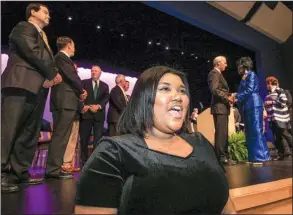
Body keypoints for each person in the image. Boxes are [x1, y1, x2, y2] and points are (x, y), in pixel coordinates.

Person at [75, 66, 236, 215]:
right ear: (143, 98)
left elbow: (226, 206)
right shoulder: (113, 153)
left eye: (182, 91)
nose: (178, 96)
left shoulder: (201, 143)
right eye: (165, 88)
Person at [1, 3, 62, 193]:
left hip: (37, 88)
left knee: (28, 133)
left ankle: (18, 173)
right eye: (45, 12)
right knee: (9, 130)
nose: (48, 16)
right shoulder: (24, 27)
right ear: (33, 12)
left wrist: (47, 77)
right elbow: (32, 52)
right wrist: (53, 73)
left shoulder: (42, 36)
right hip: (19, 83)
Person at [45, 37, 86, 179]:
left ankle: (55, 168)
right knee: (60, 136)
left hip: (66, 102)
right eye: (73, 45)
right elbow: (72, 76)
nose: (74, 48)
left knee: (62, 137)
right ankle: (53, 170)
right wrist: (81, 90)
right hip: (65, 102)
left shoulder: (60, 58)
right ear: (68, 45)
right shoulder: (62, 58)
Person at [234, 57, 270, 164]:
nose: (238, 69)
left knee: (256, 130)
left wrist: (237, 97)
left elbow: (250, 90)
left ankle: (261, 156)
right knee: (249, 132)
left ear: (244, 66)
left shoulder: (251, 75)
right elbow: (242, 91)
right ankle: (253, 157)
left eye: (239, 66)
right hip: (246, 106)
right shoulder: (243, 78)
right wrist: (235, 95)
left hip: (254, 104)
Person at [208, 56, 236, 165]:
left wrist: (230, 95)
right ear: (218, 63)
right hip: (219, 107)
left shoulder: (218, 74)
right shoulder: (214, 73)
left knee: (223, 132)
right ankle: (221, 157)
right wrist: (227, 97)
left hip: (222, 107)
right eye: (225, 62)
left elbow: (220, 90)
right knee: (221, 133)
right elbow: (214, 90)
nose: (226, 65)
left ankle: (224, 156)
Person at [79, 65, 110, 165]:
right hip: (86, 115)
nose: (93, 72)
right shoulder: (83, 83)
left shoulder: (105, 86)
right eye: (92, 71)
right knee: (84, 138)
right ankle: (84, 161)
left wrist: (98, 106)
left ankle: (94, 161)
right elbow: (79, 97)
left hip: (98, 115)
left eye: (96, 71)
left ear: (100, 73)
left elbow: (105, 99)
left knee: (98, 139)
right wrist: (83, 106)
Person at [264, 77, 292, 160]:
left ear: (271, 83)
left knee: (285, 134)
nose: (267, 85)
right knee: (277, 136)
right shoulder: (269, 93)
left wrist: (272, 102)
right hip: (272, 118)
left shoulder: (280, 91)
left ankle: (285, 152)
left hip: (280, 118)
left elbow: (284, 102)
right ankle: (281, 154)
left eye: (268, 83)